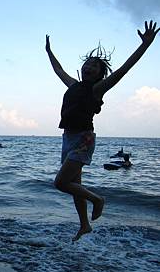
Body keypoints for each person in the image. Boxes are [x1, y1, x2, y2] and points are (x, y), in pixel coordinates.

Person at [46, 20, 158, 241]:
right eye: (87, 64)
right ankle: (84, 225)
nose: (89, 67)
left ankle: (98, 200)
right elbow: (58, 70)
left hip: (83, 139)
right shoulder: (73, 85)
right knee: (74, 184)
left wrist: (145, 45)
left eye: (94, 67)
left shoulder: (97, 89)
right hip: (67, 138)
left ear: (99, 74)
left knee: (61, 183)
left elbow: (125, 69)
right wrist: (49, 51)